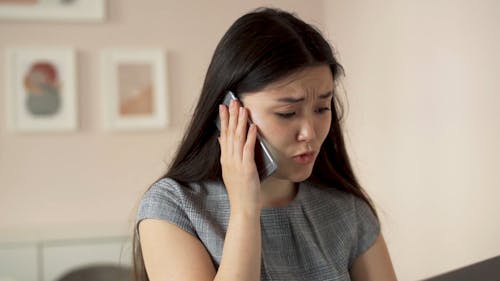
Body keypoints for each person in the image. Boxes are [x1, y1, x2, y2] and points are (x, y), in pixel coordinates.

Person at [133, 7, 397, 281]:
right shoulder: (174, 207)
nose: (310, 132)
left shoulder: (347, 212)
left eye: (322, 108)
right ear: (229, 111)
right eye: (287, 113)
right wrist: (246, 208)